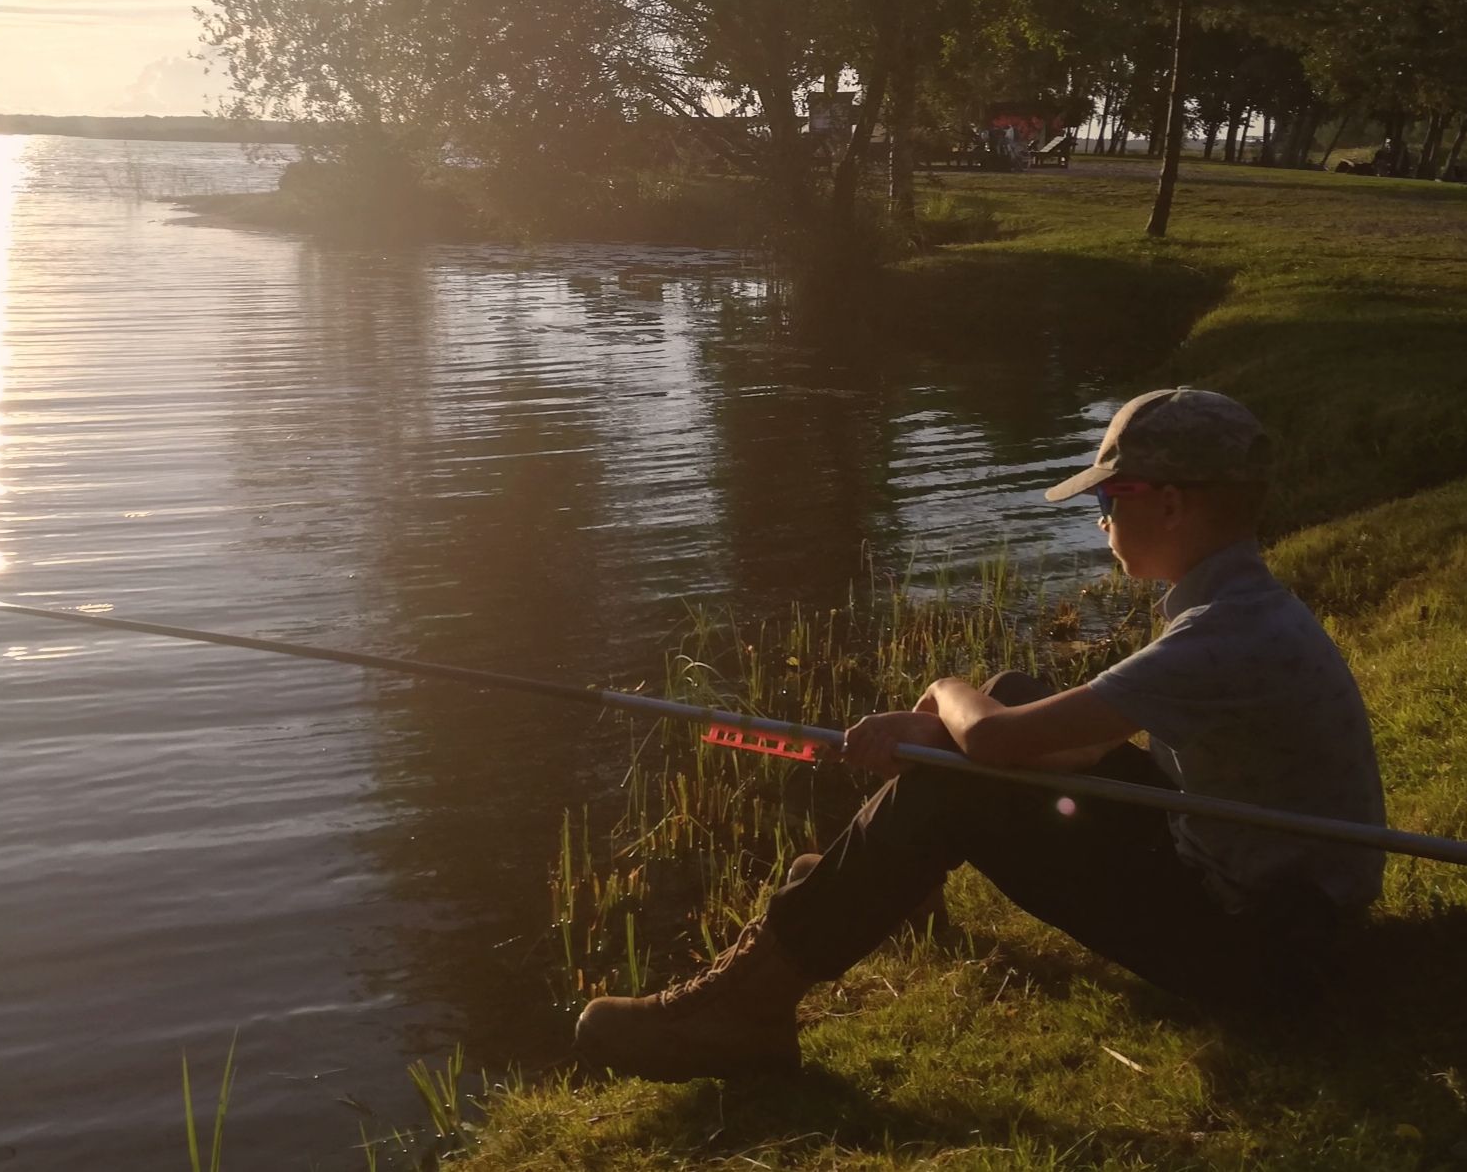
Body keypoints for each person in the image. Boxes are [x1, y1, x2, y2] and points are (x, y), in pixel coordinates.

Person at [575, 388, 1387, 1082]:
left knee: (967, 756)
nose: (1101, 520)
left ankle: (746, 1007)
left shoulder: (1218, 637)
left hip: (1264, 943)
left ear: (1169, 503)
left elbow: (999, 745)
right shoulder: (1242, 607)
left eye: (1110, 500)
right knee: (1008, 698)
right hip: (1274, 895)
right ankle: (895, 874)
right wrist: (967, 720)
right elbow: (1067, 739)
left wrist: (938, 693)